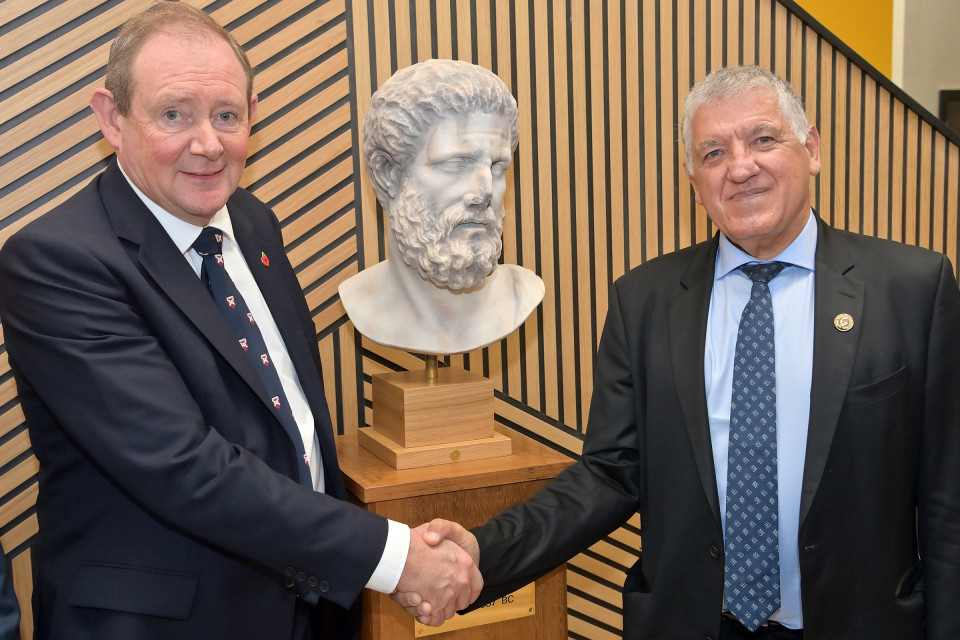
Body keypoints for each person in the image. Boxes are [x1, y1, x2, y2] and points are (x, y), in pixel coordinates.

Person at [407, 65, 960, 638]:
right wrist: (480, 552)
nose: (741, 167)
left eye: (763, 139)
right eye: (714, 152)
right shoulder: (643, 301)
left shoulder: (913, 290)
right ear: (692, 178)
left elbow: (947, 501)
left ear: (811, 148)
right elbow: (609, 476)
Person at [0, 3, 479, 639]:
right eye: (175, 114)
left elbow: (292, 428)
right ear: (112, 118)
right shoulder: (59, 261)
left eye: (227, 116)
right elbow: (182, 465)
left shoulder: (251, 222)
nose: (208, 143)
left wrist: (388, 549)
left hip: (301, 606)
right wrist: (393, 558)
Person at [338, 59, 544, 355]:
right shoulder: (361, 302)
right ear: (387, 174)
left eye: (497, 166)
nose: (483, 192)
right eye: (457, 164)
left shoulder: (520, 296)